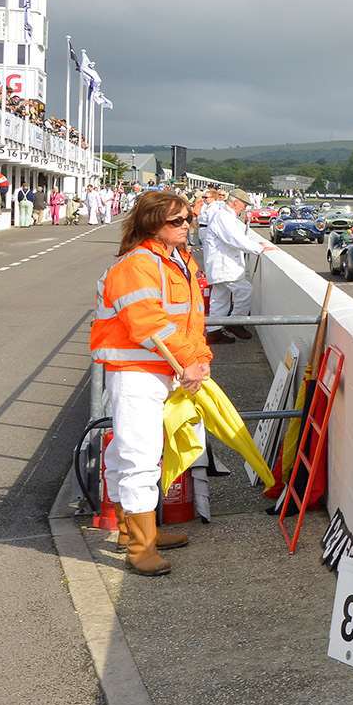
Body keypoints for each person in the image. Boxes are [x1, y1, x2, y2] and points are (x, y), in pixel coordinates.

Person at [90, 191, 211, 577]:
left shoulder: (178, 262)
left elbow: (191, 322)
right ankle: (141, 547)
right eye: (176, 221)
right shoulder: (138, 265)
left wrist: (200, 359)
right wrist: (190, 361)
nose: (186, 225)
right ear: (151, 224)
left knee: (127, 455)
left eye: (187, 218)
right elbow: (150, 326)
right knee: (139, 456)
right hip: (137, 373)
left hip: (159, 370)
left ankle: (134, 532)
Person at [197, 189, 268, 343]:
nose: (245, 208)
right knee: (244, 290)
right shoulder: (223, 216)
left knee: (220, 298)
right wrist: (259, 248)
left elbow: (236, 237)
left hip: (221, 264)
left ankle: (213, 331)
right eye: (244, 205)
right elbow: (235, 239)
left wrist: (256, 245)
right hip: (224, 265)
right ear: (235, 202)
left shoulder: (224, 215)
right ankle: (235, 323)